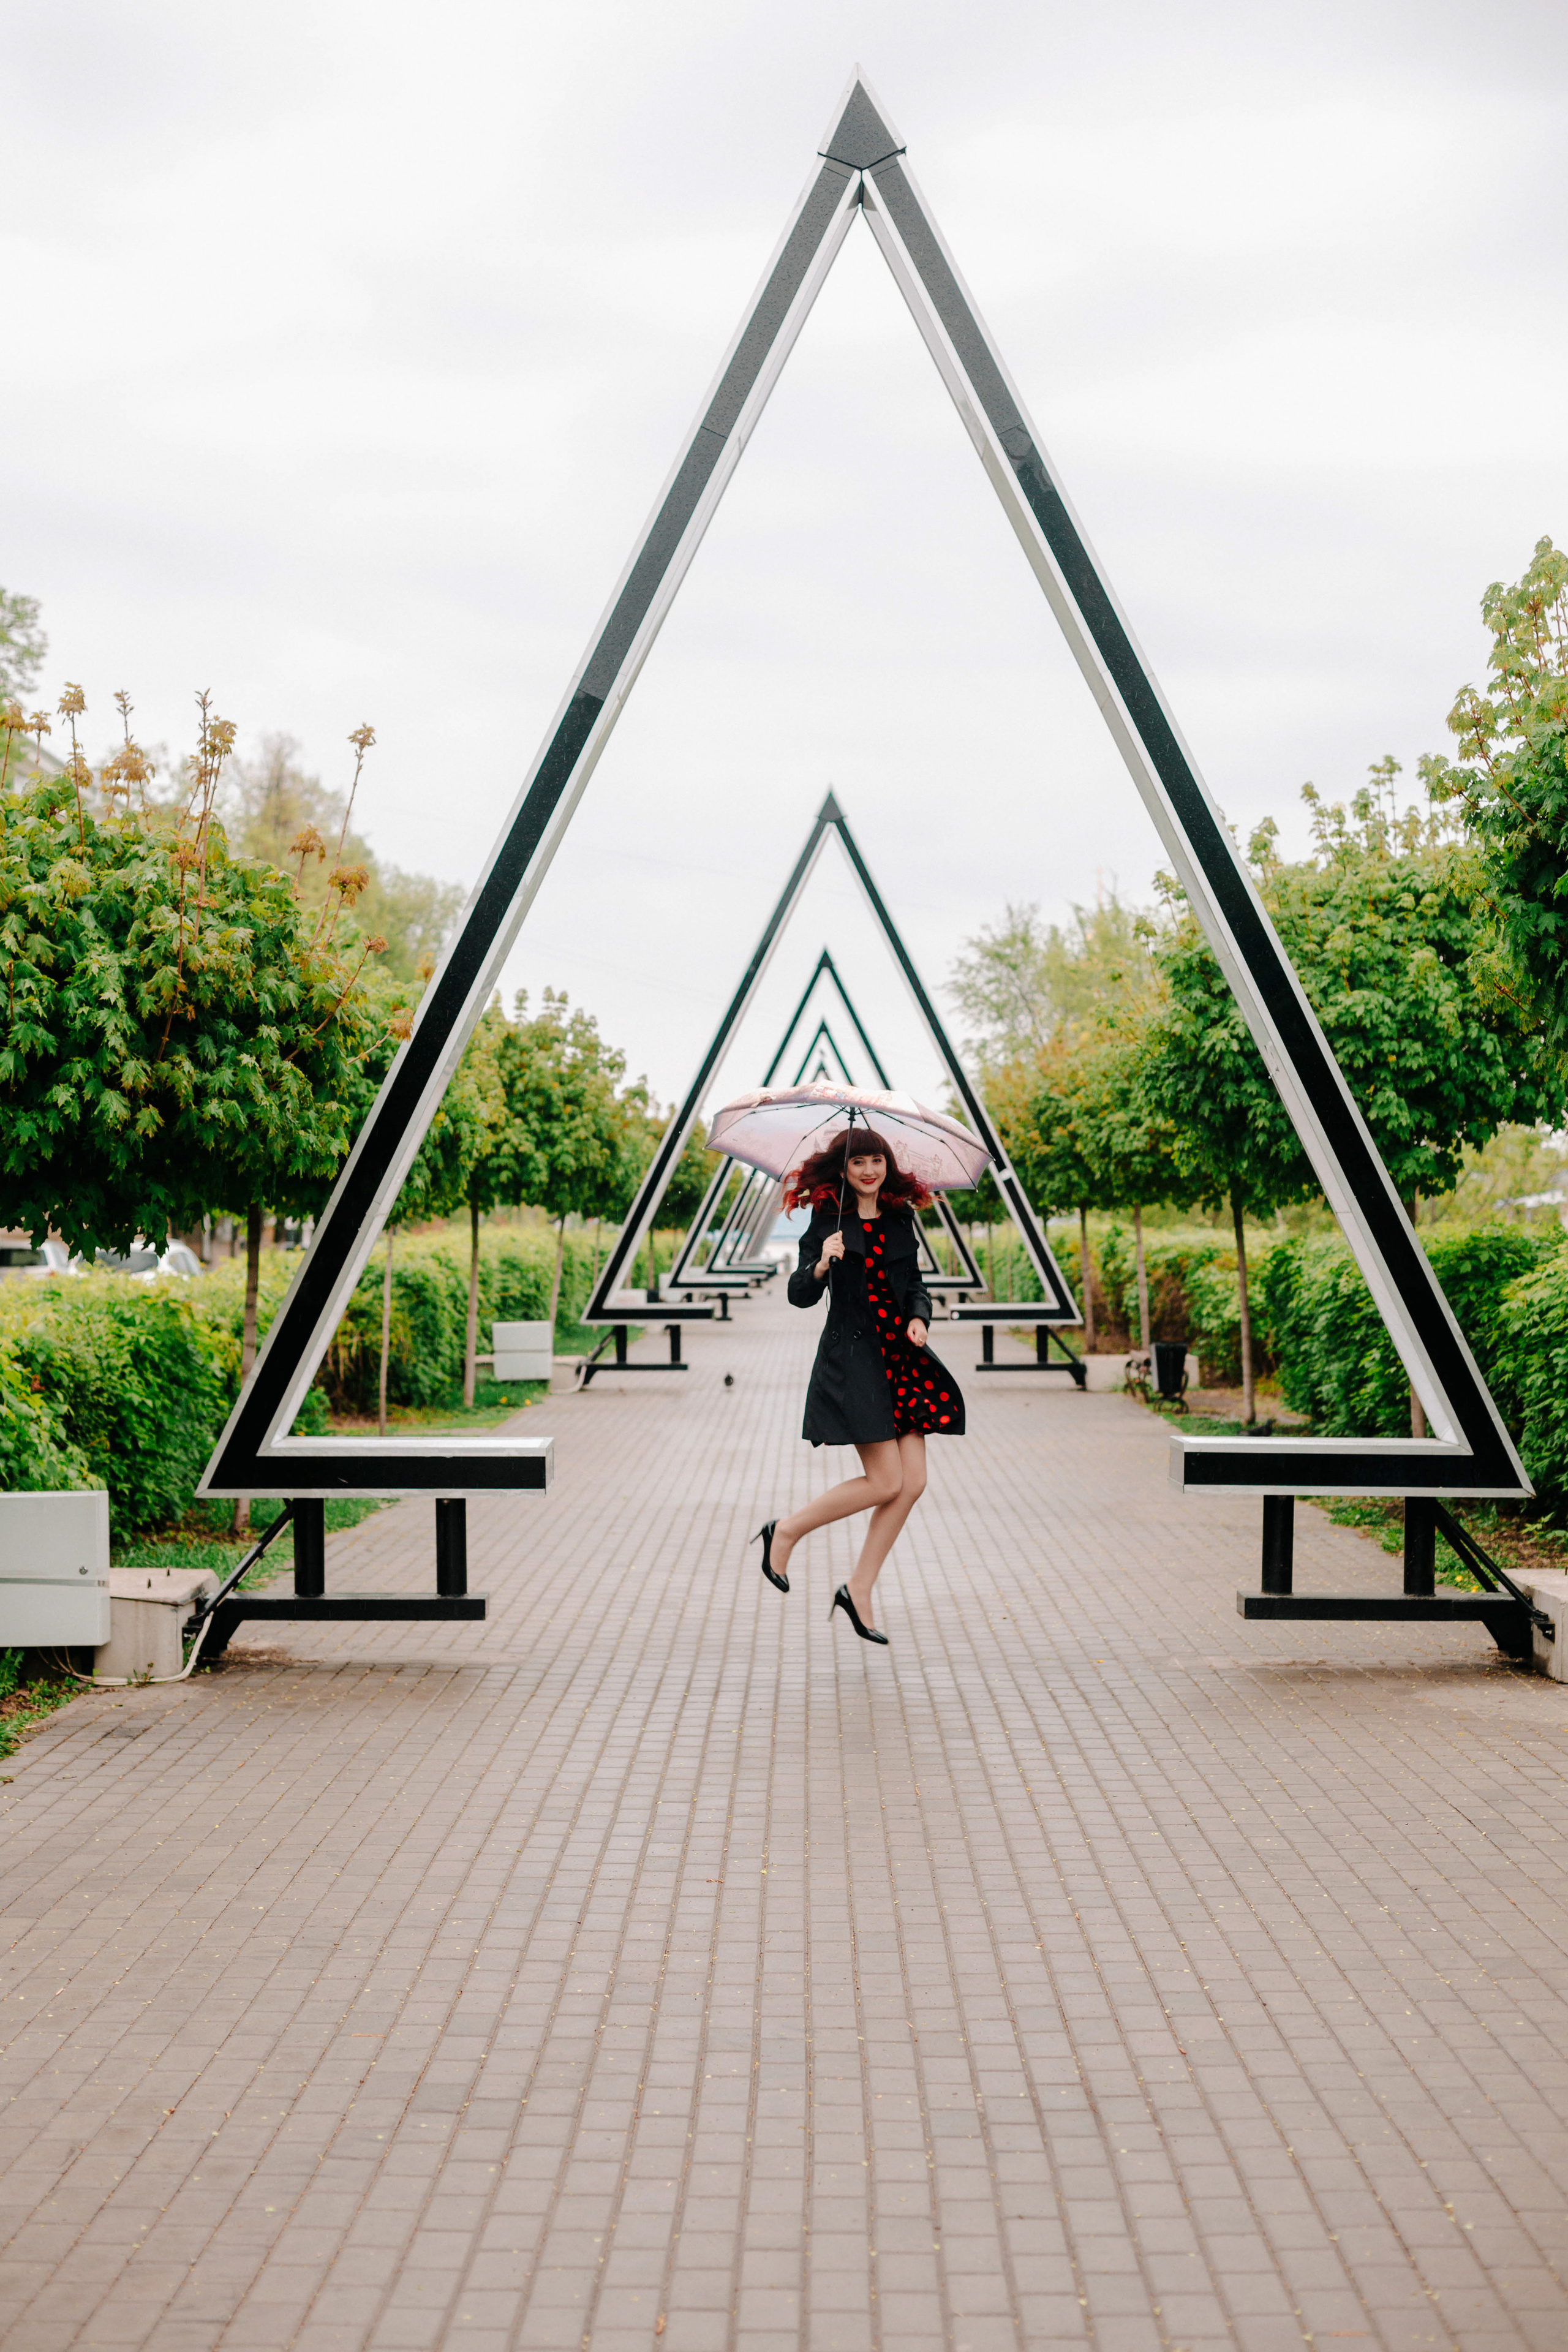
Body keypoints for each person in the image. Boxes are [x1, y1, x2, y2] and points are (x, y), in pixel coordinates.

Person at [752, 1126, 965, 1645]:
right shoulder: (828, 1221)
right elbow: (799, 1294)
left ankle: (859, 1587)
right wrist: (823, 1262)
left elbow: (915, 1283)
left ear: (886, 1165)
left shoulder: (899, 1217)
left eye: (876, 1161)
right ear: (843, 1172)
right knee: (886, 1482)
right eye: (858, 1164)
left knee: (912, 1484)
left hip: (901, 1356)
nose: (869, 1171)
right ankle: (787, 1530)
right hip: (856, 1358)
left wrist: (920, 1317)